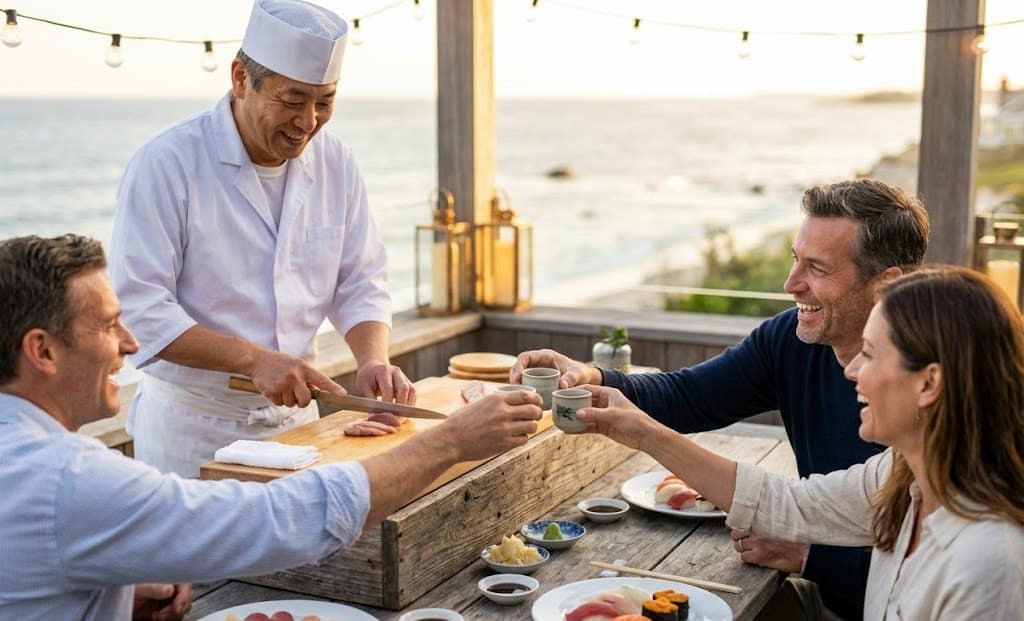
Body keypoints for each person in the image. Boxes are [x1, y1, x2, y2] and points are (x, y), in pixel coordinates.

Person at [0, 234, 543, 620]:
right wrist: (449, 440)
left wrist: (112, 594)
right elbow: (272, 520)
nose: (130, 343)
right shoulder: (67, 478)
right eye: (108, 325)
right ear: (42, 350)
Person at [512, 178, 930, 619]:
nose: (791, 284)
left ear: (886, 285)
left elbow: (923, 573)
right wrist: (590, 375)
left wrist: (811, 557)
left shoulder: (931, 400)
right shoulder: (790, 340)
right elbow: (690, 397)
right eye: (794, 260)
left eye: (817, 268)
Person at [574, 266, 1024, 619]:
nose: (850, 371)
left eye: (870, 355)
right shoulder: (903, 475)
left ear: (929, 384)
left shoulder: (988, 561)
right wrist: (642, 432)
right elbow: (786, 503)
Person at [110, 0, 413, 477]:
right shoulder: (166, 163)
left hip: (300, 426)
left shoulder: (336, 162)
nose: (309, 121)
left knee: (311, 554)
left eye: (325, 101)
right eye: (292, 100)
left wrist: (373, 359)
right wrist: (253, 360)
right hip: (193, 430)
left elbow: (360, 278)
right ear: (240, 79)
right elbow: (140, 309)